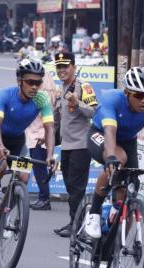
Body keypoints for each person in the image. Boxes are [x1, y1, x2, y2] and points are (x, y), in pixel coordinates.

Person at [83, 67, 144, 239]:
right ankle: (94, 212)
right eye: (138, 95)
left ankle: (114, 244)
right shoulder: (112, 100)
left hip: (128, 141)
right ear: (127, 93)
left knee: (129, 191)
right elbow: (110, 131)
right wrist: (110, 157)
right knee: (119, 159)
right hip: (101, 133)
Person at [0, 59, 57, 234]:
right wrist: (0, 146)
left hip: (18, 140)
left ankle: (5, 215)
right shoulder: (5, 94)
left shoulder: (41, 99)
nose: (34, 87)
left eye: (38, 83)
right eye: (30, 82)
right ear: (20, 81)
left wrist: (50, 155)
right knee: (0, 168)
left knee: (24, 178)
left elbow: (50, 128)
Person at [52, 52, 98, 237]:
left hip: (80, 146)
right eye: (59, 67)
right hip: (67, 146)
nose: (62, 70)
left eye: (65, 66)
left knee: (77, 189)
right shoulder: (62, 88)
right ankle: (75, 222)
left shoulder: (83, 86)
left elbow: (94, 112)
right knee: (70, 188)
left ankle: (77, 225)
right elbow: (59, 119)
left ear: (74, 67)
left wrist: (76, 102)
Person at [27, 59, 59, 211]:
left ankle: (44, 198)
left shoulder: (42, 95)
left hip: (39, 134)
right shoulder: (48, 91)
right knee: (37, 166)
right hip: (35, 133)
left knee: (39, 167)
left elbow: (46, 120)